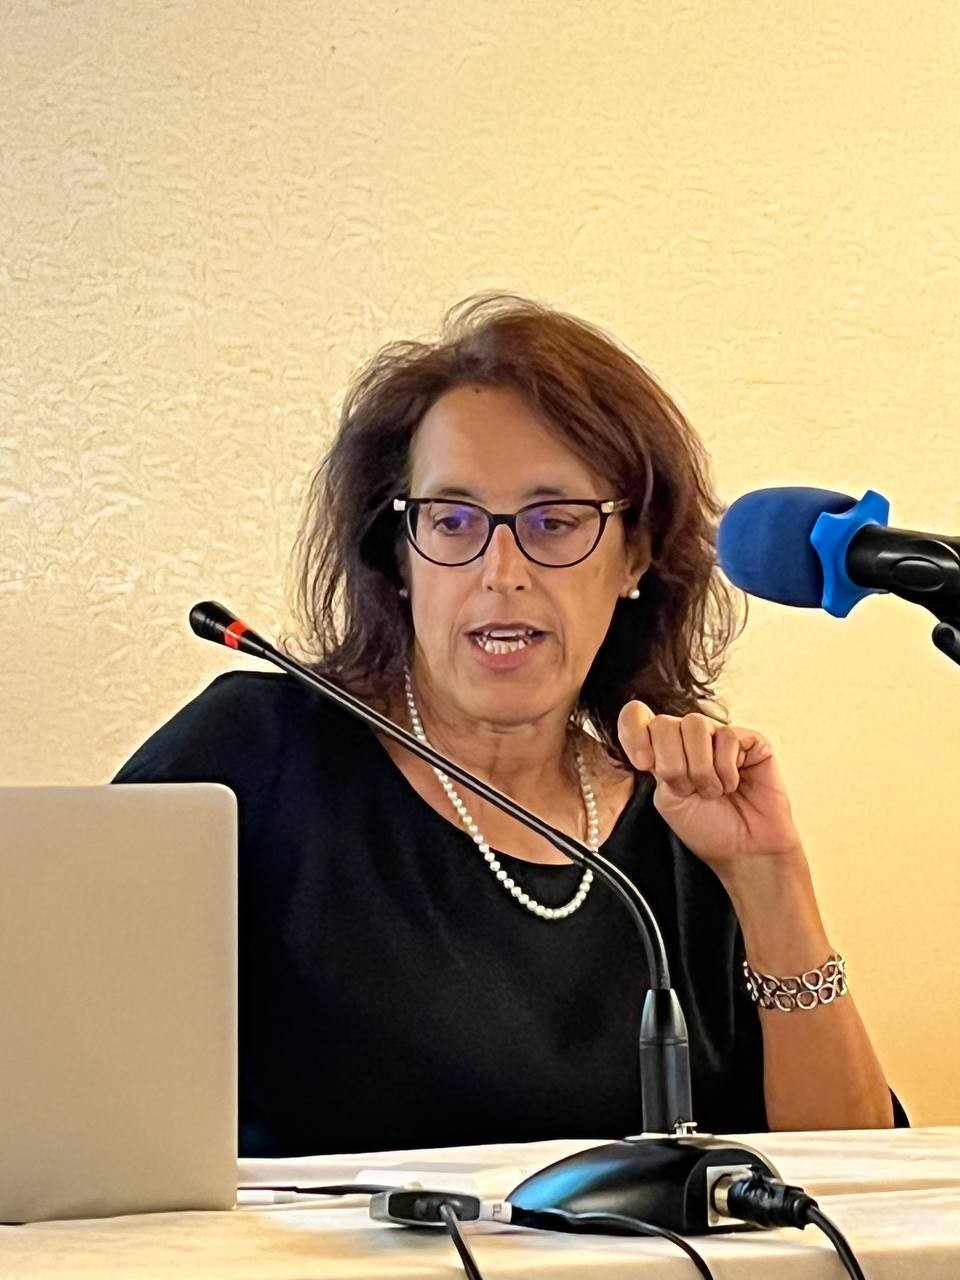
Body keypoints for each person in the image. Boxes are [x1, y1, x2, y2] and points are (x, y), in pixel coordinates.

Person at [114, 294, 904, 1157]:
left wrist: (769, 879)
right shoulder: (254, 758)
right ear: (400, 556)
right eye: (451, 521)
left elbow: (864, 1177)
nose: (501, 571)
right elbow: (68, 1080)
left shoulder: (690, 820)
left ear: (635, 556)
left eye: (553, 522)